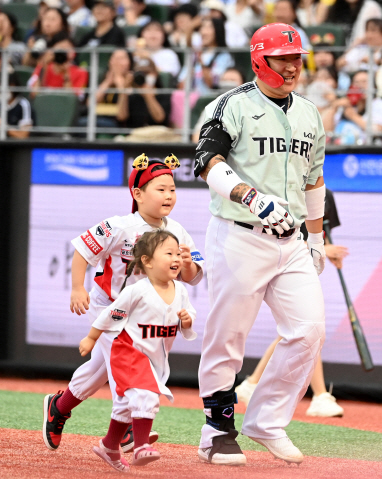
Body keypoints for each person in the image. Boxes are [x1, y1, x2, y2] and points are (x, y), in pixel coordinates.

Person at [193, 22, 326, 466]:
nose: (292, 66)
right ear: (259, 59)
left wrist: (318, 236)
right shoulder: (230, 105)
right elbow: (205, 163)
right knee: (228, 336)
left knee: (309, 329)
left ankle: (266, 421)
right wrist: (251, 197)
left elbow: (315, 179)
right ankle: (216, 430)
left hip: (291, 242)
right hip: (240, 234)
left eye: (296, 58)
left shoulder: (309, 112)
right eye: (282, 58)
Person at [41, 156, 204, 454]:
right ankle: (128, 431)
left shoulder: (179, 232)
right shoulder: (119, 226)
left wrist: (186, 261)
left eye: (172, 189)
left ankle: (59, 406)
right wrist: (77, 288)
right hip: (110, 309)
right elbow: (81, 249)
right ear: (137, 193)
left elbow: (193, 278)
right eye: (161, 189)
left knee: (99, 371)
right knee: (127, 371)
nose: (169, 195)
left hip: (143, 317)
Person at [79, 229, 197, 472]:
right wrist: (92, 338)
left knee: (124, 404)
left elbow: (189, 317)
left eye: (178, 253)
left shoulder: (181, 291)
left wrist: (187, 320)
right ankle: (142, 445)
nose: (176, 258)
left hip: (153, 357)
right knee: (146, 394)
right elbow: (111, 314)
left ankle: (109, 445)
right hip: (128, 352)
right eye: (168, 253)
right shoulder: (137, 290)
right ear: (147, 261)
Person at [236, 189, 348, 418]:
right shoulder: (283, 190)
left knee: (300, 327)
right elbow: (283, 240)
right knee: (304, 326)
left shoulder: (327, 195)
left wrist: (326, 251)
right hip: (277, 265)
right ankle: (319, 396)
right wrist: (322, 249)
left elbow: (322, 233)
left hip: (306, 266)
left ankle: (251, 384)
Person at [323, 69, 382, 144]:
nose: (360, 86)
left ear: (374, 85)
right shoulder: (345, 104)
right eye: (356, 82)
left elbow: (378, 131)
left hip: (365, 151)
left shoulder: (381, 105)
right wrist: (334, 107)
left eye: (364, 82)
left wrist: (353, 116)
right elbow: (325, 132)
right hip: (339, 150)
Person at [28, 33, 89, 99]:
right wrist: (43, 66)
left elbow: (71, 100)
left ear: (74, 52)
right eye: (60, 49)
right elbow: (34, 94)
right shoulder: (42, 67)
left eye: (66, 48)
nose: (62, 53)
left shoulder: (81, 72)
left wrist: (66, 74)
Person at [318, 0, 382, 45]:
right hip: (342, 55)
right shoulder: (337, 8)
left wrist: (346, 56)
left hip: (364, 53)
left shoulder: (370, 6)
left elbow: (364, 38)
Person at [2, 72, 35, 139]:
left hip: (16, 146)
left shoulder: (24, 105)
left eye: (9, 86)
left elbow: (23, 135)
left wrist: (4, 127)